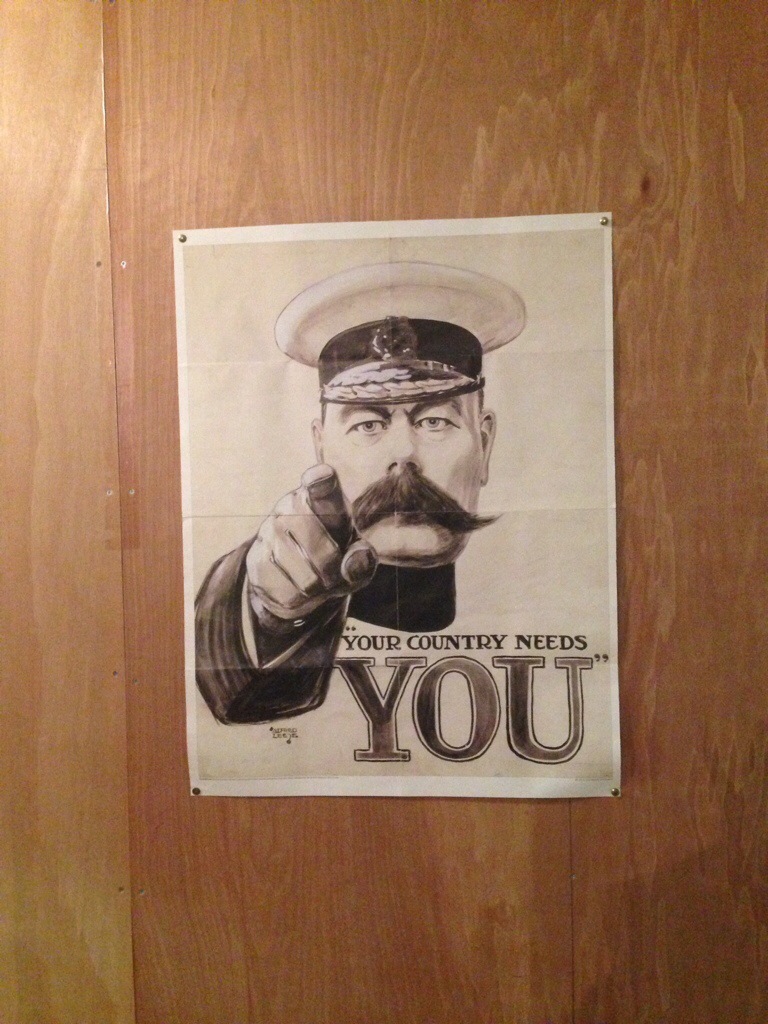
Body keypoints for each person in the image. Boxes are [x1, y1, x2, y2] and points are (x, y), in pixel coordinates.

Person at [195, 262, 525, 724]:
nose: (404, 454)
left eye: (434, 421)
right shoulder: (255, 582)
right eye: (368, 424)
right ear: (321, 448)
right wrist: (267, 611)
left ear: (484, 445)